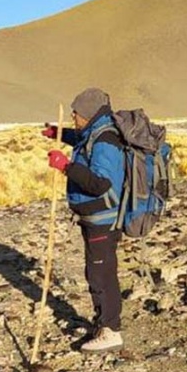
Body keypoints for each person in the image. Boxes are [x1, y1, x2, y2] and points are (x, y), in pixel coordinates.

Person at [43, 88, 126, 353]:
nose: (73, 117)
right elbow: (81, 140)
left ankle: (110, 329)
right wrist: (59, 133)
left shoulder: (105, 140)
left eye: (76, 113)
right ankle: (104, 322)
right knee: (98, 271)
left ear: (88, 113)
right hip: (94, 217)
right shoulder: (95, 132)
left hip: (103, 218)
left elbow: (100, 183)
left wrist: (66, 167)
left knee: (100, 274)